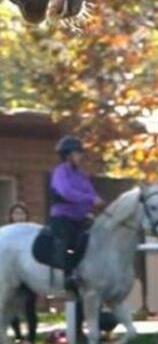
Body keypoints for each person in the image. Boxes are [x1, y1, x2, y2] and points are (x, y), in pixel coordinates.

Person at [49, 135, 104, 293]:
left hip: (81, 217)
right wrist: (90, 199)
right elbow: (66, 192)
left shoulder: (81, 174)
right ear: (68, 155)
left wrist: (98, 201)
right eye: (78, 153)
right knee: (69, 239)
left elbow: (90, 191)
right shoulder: (60, 172)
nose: (81, 156)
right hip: (63, 216)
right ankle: (68, 275)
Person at [7, 204, 37, 343]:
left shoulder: (31, 232)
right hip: (12, 275)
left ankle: (31, 338)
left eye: (21, 213)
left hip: (29, 274)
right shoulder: (6, 234)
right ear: (11, 217)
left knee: (29, 307)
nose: (19, 216)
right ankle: (18, 336)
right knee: (11, 307)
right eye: (16, 213)